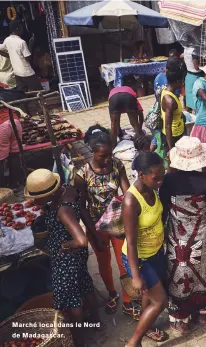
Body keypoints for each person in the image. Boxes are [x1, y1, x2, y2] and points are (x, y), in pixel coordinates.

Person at [26, 169, 105, 347]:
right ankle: (97, 322)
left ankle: (79, 340)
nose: (34, 201)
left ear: (49, 194)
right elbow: (82, 211)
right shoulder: (68, 190)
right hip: (77, 257)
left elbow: (81, 240)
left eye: (37, 198)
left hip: (67, 257)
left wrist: (64, 246)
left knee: (72, 300)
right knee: (85, 283)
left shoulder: (63, 211)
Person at [159, 136, 206, 333]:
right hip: (201, 236)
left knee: (179, 273)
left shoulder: (168, 180)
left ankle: (180, 317)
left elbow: (163, 208)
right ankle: (201, 312)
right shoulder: (205, 179)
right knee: (202, 272)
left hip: (177, 237)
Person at [74, 128, 139, 320]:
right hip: (96, 225)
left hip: (118, 223)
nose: (108, 159)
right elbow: (82, 207)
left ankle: (128, 300)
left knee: (123, 261)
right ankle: (112, 293)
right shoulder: (82, 174)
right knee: (104, 263)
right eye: (103, 156)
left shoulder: (117, 166)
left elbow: (127, 191)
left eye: (110, 154)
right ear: (93, 152)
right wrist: (93, 234)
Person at [122, 152, 169, 346]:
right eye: (156, 177)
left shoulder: (152, 188)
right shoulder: (131, 202)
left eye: (162, 176)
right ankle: (133, 342)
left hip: (156, 253)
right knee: (160, 301)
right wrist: (135, 276)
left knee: (149, 297)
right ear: (141, 175)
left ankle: (146, 325)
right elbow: (131, 242)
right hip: (140, 260)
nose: (160, 181)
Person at [0, 20, 41, 91]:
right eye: (21, 27)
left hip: (17, 73)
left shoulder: (7, 40)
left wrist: (9, 55)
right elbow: (28, 58)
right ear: (17, 29)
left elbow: (1, 49)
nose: (22, 29)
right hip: (26, 72)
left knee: (22, 94)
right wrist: (30, 46)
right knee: (39, 91)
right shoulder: (21, 42)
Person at [161, 57, 186, 167]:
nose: (183, 83)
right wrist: (171, 148)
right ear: (177, 82)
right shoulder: (169, 100)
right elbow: (167, 126)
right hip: (173, 136)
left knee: (180, 164)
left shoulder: (169, 92)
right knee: (174, 164)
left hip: (178, 133)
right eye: (182, 81)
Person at [108, 82, 144, 147]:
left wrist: (119, 131)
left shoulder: (113, 92)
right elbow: (140, 114)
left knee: (113, 125)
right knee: (134, 123)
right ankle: (140, 144)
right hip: (128, 97)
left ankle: (113, 146)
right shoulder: (132, 93)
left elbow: (114, 122)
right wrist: (139, 129)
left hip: (114, 98)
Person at [0, 108, 23, 189]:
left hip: (2, 125)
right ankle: (14, 185)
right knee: (14, 155)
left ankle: (2, 189)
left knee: (0, 160)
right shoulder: (6, 98)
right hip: (15, 122)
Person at [183, 47, 202, 112]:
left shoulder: (186, 49)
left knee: (189, 100)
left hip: (189, 76)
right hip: (196, 77)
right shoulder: (194, 50)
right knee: (197, 101)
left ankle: (187, 118)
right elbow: (196, 67)